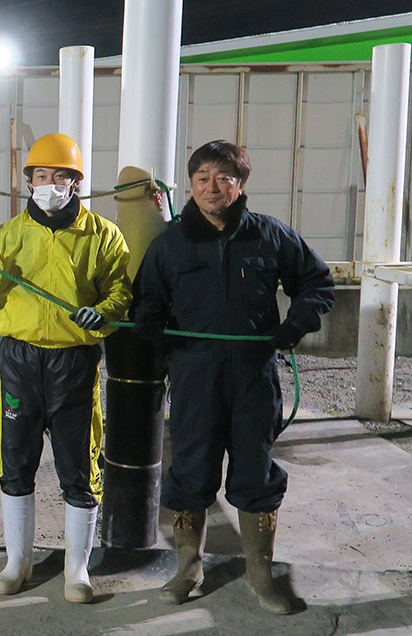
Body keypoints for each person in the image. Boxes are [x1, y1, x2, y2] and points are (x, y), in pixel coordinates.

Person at [131, 140, 335, 614]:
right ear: (191, 184)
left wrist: (295, 323)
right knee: (190, 471)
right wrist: (150, 325)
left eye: (223, 177)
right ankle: (188, 567)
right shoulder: (170, 243)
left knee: (255, 472)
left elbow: (316, 282)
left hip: (252, 375)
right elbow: (146, 299)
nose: (211, 187)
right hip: (193, 375)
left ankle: (260, 574)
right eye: (202, 177)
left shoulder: (271, 235)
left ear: (241, 184)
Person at [0, 132, 132, 603]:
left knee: (79, 466)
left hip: (74, 362)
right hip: (19, 359)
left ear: (76, 182)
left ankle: (77, 569)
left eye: (59, 176)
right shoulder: (9, 236)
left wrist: (106, 314)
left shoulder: (102, 236)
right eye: (40, 176)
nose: (48, 184)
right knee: (15, 464)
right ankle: (18, 561)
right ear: (28, 181)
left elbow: (119, 292)